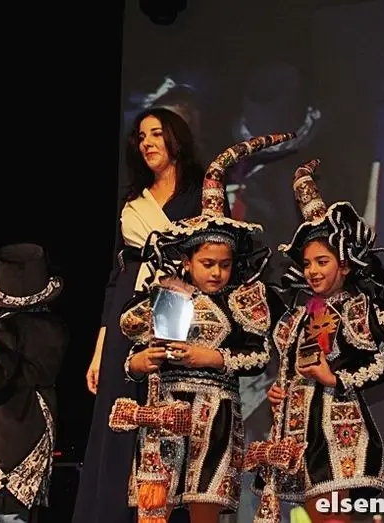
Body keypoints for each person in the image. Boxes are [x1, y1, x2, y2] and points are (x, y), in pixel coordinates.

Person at [112, 133, 293, 523]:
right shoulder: (169, 296)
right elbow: (135, 355)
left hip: (216, 418)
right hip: (165, 413)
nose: (216, 272)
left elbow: (258, 355)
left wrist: (210, 357)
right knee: (154, 512)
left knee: (205, 511)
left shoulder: (239, 301)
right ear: (187, 261)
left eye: (224, 265)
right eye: (207, 263)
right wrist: (141, 362)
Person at [75, 107, 225, 523]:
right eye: (141, 137)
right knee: (119, 420)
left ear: (175, 138)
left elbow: (217, 259)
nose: (147, 143)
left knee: (166, 416)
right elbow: (115, 275)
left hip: (177, 304)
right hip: (126, 311)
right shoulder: (133, 200)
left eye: (156, 134)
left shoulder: (201, 192)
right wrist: (101, 348)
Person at [250, 159, 384, 523]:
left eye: (322, 261)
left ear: (344, 264)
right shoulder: (300, 315)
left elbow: (378, 365)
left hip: (336, 431)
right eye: (307, 264)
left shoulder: (357, 310)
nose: (313, 271)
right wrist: (280, 391)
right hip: (298, 431)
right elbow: (292, 369)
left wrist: (333, 378)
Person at [0, 243, 68, 523]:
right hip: (40, 416)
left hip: (9, 421)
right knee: (24, 507)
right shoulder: (56, 325)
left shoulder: (7, 326)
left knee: (3, 504)